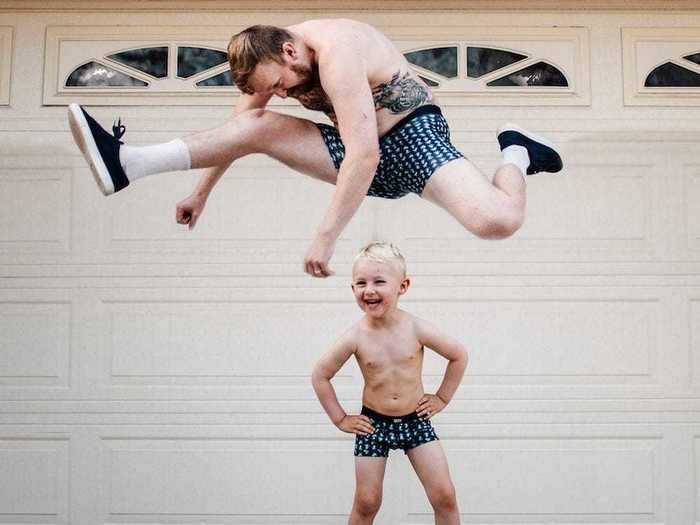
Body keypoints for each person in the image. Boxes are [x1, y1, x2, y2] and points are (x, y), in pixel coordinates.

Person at [67, 19, 562, 278]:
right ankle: (132, 161)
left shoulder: (338, 52)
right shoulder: (267, 63)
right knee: (259, 125)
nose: (282, 94)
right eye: (274, 89)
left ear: (289, 49)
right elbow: (242, 125)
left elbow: (366, 155)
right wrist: (203, 191)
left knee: (497, 222)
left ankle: (516, 150)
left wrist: (325, 238)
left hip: (412, 139)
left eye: (280, 83)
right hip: (353, 150)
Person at [311, 241, 468, 524]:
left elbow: (458, 355)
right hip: (374, 425)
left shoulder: (416, 327)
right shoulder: (355, 336)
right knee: (367, 502)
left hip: (415, 422)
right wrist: (340, 419)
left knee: (444, 495)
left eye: (379, 281)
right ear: (352, 290)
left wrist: (442, 398)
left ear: (403, 286)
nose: (368, 290)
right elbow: (320, 375)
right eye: (360, 283)